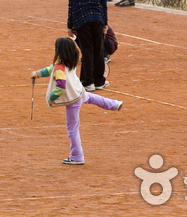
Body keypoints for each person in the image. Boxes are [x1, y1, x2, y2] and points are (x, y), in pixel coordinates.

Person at [30, 37, 123, 165]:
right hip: (79, 92)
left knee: (72, 129)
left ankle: (77, 156)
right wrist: (37, 73)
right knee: (95, 98)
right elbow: (49, 70)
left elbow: (61, 86)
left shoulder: (59, 67)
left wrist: (51, 99)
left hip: (72, 100)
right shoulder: (69, 62)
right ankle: (114, 104)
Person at [68, 0, 109, 92]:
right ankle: (99, 81)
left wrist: (70, 25)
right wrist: (105, 23)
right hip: (98, 19)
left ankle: (87, 82)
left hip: (82, 20)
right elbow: (103, 4)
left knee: (87, 50)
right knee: (99, 50)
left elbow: (71, 5)